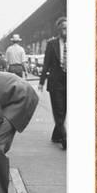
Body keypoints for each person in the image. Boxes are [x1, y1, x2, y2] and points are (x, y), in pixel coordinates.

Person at [38, 16, 67, 150]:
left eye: (68, 28)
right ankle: (64, 137)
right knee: (58, 110)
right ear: (59, 30)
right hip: (55, 81)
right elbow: (46, 64)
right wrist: (41, 82)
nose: (66, 30)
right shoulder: (52, 44)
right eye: (63, 28)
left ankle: (56, 135)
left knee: (64, 111)